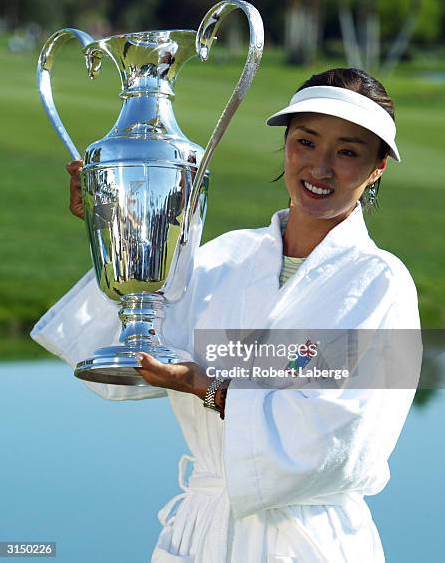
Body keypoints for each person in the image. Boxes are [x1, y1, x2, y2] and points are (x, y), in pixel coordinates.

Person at [31, 67, 422, 562]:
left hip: (307, 540)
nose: (320, 167)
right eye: (306, 141)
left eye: (347, 152)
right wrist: (123, 229)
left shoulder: (381, 284)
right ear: (285, 145)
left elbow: (341, 442)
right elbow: (115, 372)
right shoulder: (224, 258)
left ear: (377, 168)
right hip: (200, 531)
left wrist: (209, 387)